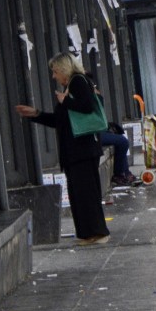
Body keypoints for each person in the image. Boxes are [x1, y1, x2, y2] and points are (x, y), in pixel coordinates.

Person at [15, 53, 111, 245]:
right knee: (78, 194)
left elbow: (86, 106)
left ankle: (97, 233)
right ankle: (86, 233)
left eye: (55, 71)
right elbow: (61, 121)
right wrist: (36, 114)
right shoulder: (70, 87)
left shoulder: (77, 82)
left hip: (82, 151)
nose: (53, 76)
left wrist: (64, 101)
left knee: (86, 194)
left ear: (64, 69)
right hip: (76, 152)